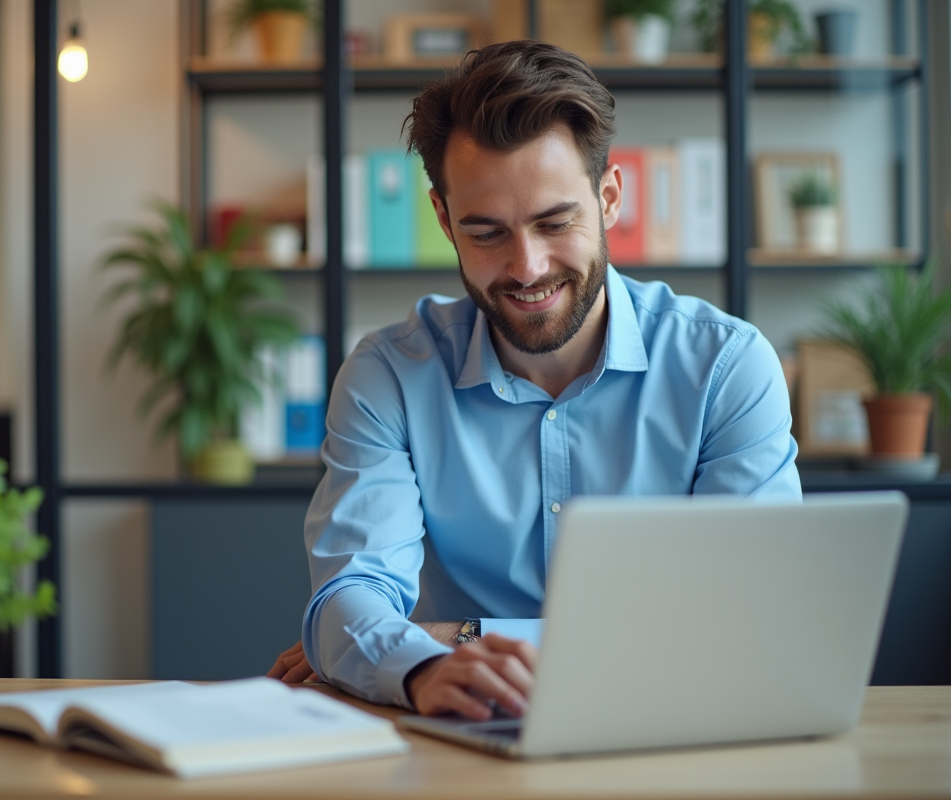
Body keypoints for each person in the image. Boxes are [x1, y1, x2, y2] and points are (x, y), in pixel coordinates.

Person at [268, 40, 801, 720]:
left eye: (555, 222)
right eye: (486, 232)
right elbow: (349, 600)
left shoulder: (726, 367)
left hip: (673, 725)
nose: (526, 266)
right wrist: (418, 661)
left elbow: (744, 621)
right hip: (463, 738)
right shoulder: (389, 376)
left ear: (608, 199)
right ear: (443, 220)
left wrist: (453, 639)